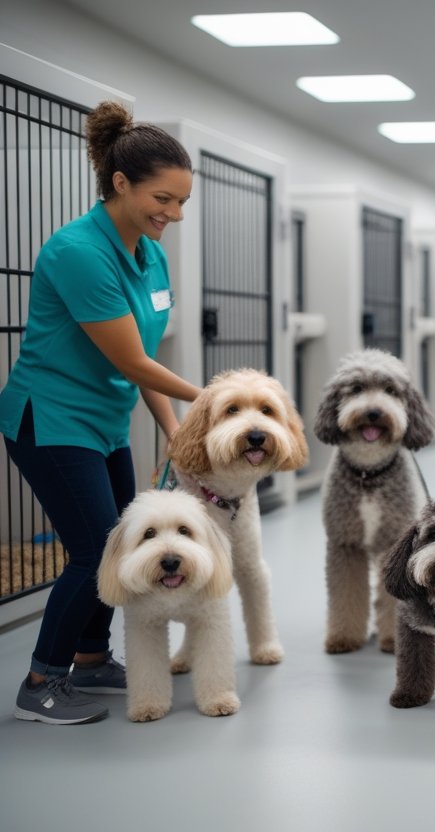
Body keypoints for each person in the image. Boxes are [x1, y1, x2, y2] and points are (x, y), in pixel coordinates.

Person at [0, 101, 203, 724]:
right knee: (95, 552)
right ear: (120, 183)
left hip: (105, 421)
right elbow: (137, 364)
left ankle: (92, 657)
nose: (171, 215)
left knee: (124, 542)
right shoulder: (78, 252)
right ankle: (41, 681)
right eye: (162, 200)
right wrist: (214, 401)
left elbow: (142, 355)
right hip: (53, 420)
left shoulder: (149, 252)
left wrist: (173, 430)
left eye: (180, 204)